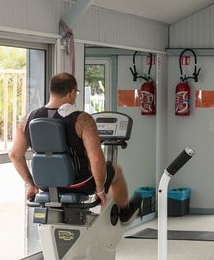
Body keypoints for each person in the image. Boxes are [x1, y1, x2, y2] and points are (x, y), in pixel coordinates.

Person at [9, 72, 137, 214]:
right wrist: (100, 189)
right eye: (76, 92)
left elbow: (14, 154)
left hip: (45, 185)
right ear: (71, 93)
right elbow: (96, 159)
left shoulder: (28, 118)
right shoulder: (83, 120)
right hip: (79, 184)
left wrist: (30, 184)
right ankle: (125, 212)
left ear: (52, 91)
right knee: (115, 170)